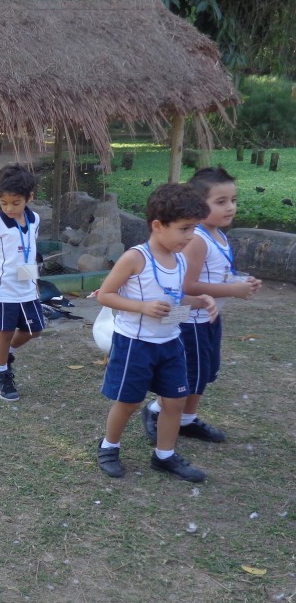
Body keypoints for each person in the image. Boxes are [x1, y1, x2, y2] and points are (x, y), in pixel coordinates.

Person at [95, 183, 218, 482]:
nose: (191, 236)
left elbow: (175, 299)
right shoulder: (135, 258)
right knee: (128, 402)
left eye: (194, 229)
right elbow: (105, 295)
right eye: (185, 229)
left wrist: (199, 301)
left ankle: (164, 455)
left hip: (171, 343)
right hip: (135, 344)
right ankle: (109, 446)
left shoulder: (180, 259)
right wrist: (142, 307)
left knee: (174, 401)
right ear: (158, 226)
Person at [141, 166, 262, 443]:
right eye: (220, 202)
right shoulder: (197, 240)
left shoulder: (219, 235)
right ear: (198, 204)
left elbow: (215, 274)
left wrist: (240, 281)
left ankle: (186, 419)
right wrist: (233, 290)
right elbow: (187, 286)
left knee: (203, 373)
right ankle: (157, 411)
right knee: (188, 374)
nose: (230, 207)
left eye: (233, 200)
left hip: (209, 317)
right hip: (189, 319)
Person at [0, 164, 44, 401]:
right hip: (4, 291)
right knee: (6, 331)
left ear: (29, 198)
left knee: (35, 330)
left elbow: (30, 252)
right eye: (3, 202)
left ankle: (4, 353)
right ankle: (1, 374)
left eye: (15, 203)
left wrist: (35, 284)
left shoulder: (35, 220)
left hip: (27, 289)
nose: (9, 208)